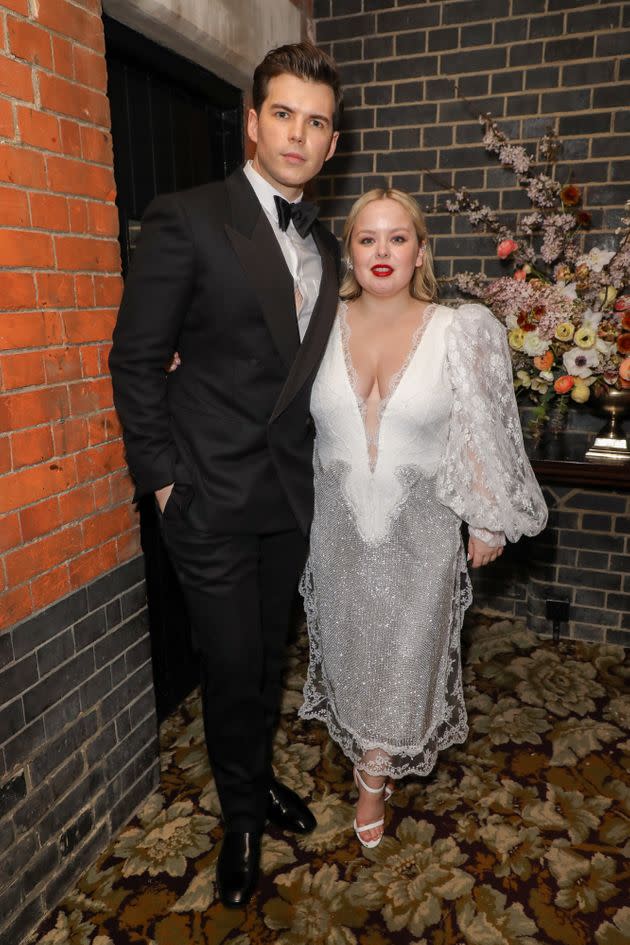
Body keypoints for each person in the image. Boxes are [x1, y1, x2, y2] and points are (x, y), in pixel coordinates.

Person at [109, 42, 342, 907]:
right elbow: (134, 360)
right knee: (231, 658)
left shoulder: (329, 248)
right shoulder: (190, 216)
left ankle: (254, 773)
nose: (297, 133)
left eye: (315, 121)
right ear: (251, 123)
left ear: (331, 142)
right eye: (282, 113)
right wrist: (164, 482)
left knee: (266, 661)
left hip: (287, 499)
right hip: (205, 496)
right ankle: (241, 818)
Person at [299, 189, 548, 848]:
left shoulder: (460, 328)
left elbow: (484, 429)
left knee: (407, 654)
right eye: (367, 238)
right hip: (339, 527)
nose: (382, 252)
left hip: (423, 530)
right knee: (353, 646)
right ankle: (364, 748)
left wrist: (488, 520)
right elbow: (248, 371)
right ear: (349, 250)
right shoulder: (312, 319)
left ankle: (373, 779)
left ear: (420, 250)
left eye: (397, 238)